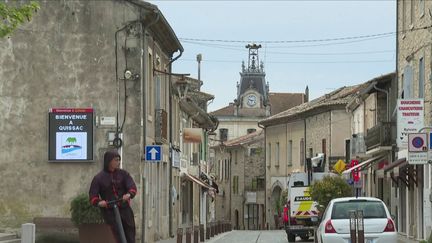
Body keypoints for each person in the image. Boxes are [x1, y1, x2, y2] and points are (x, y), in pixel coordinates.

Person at [89, 150, 137, 243]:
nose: (118, 162)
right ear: (109, 161)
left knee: (130, 234)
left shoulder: (123, 174)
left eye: (119, 160)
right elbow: (92, 196)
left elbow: (132, 187)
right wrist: (99, 202)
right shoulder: (98, 178)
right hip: (109, 212)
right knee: (115, 236)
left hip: (125, 209)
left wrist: (128, 194)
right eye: (116, 160)